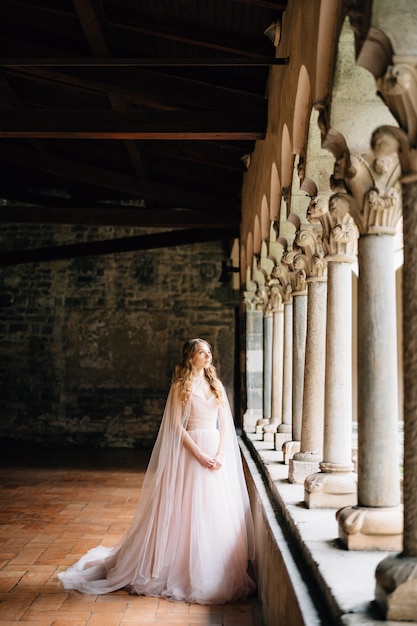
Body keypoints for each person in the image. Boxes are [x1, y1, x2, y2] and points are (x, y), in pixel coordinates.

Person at [58, 338, 256, 605]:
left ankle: (211, 568)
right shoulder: (180, 386)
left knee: (212, 510)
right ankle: (176, 567)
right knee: (187, 509)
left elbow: (225, 425)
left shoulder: (216, 386)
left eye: (208, 352)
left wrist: (219, 455)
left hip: (214, 454)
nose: (207, 356)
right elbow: (176, 427)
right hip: (192, 453)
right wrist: (200, 455)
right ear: (190, 357)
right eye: (201, 352)